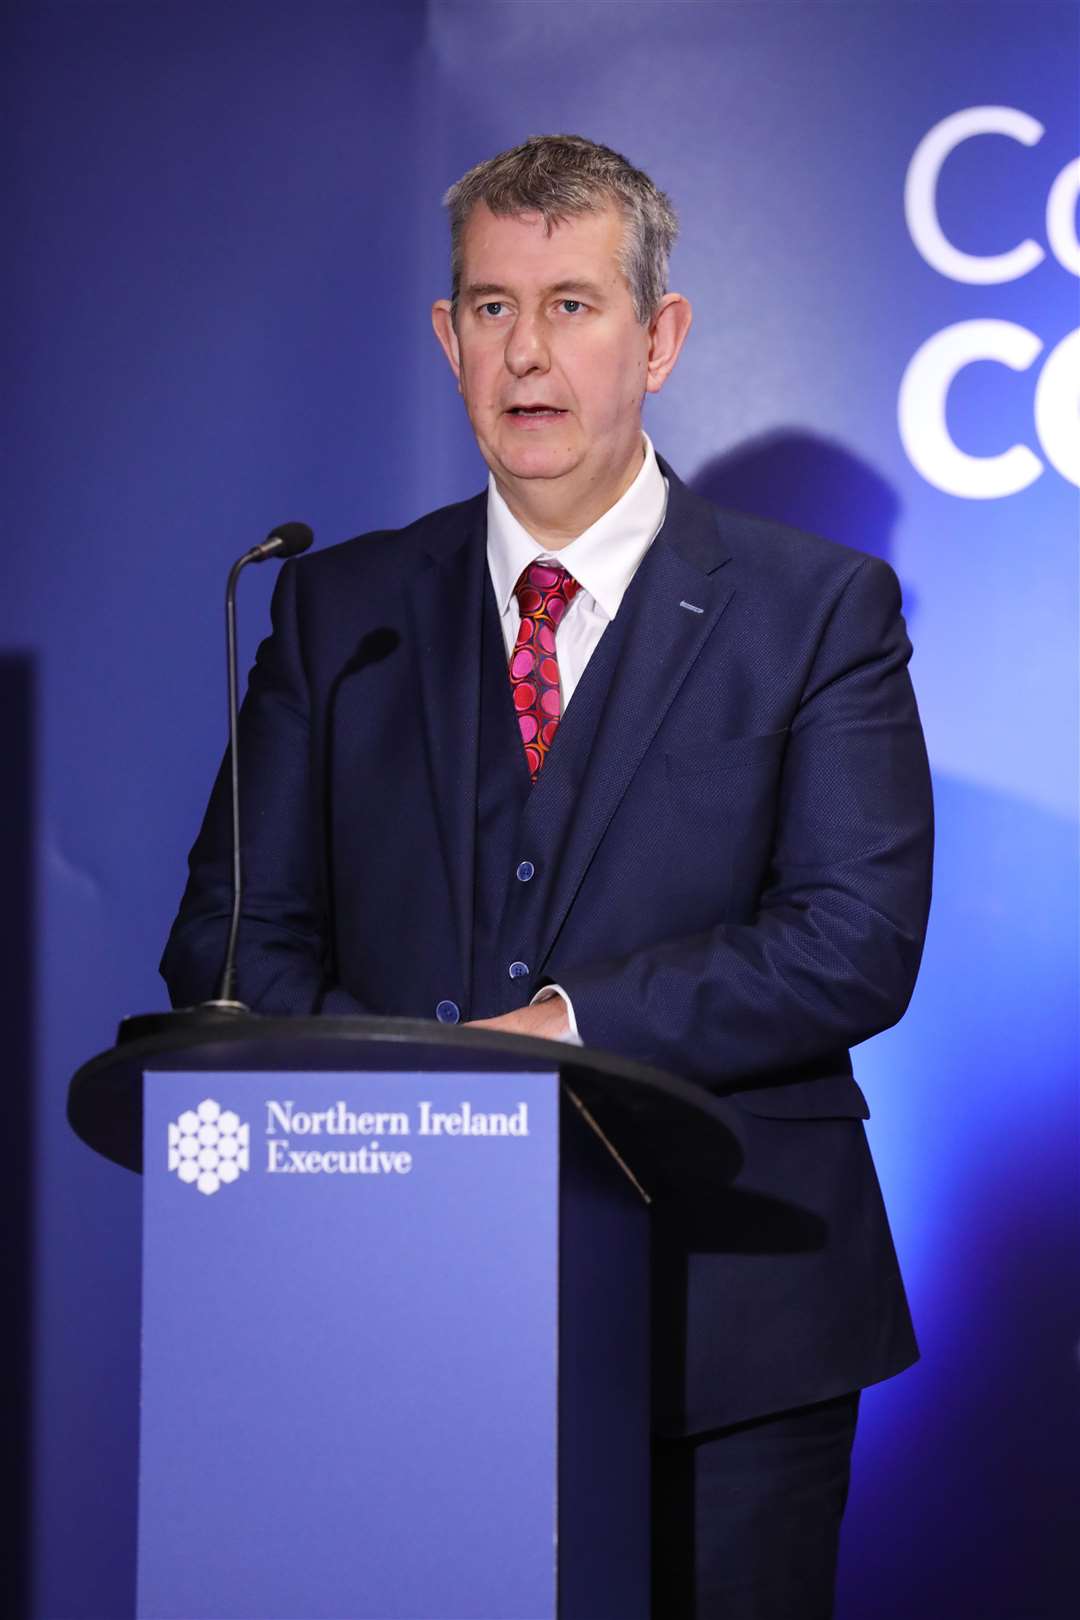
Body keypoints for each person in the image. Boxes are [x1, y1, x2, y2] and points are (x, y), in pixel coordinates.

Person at [162, 134, 933, 1617]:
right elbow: (228, 934)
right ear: (448, 339)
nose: (529, 351)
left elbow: (850, 940)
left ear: (660, 337)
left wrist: (550, 1044)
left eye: (573, 305)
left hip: (729, 1327)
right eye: (493, 308)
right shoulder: (339, 609)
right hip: (398, 1308)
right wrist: (400, 1104)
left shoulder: (817, 609)